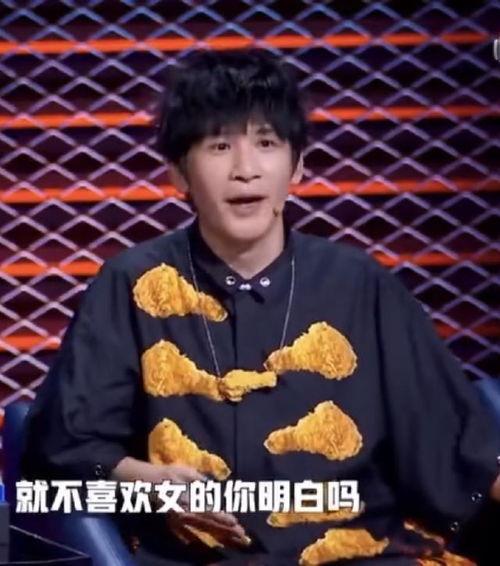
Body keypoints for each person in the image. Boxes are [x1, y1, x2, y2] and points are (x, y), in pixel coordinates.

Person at [22, 48, 500, 565]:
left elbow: (459, 450)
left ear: (298, 165)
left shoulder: (361, 284)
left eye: (267, 143)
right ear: (179, 173)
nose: (245, 170)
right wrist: (148, 482)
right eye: (219, 145)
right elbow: (61, 455)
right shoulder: (131, 285)